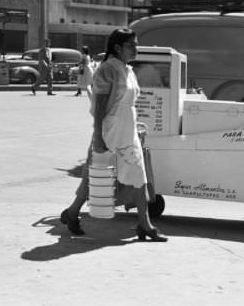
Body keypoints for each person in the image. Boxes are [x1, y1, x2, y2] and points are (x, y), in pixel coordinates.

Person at [60, 28, 167, 241]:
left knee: (139, 177)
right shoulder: (106, 70)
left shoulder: (128, 70)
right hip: (109, 131)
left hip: (128, 131)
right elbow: (99, 107)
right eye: (131, 45)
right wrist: (98, 137)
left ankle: (145, 225)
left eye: (136, 44)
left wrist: (135, 127)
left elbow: (130, 103)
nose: (136, 49)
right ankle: (72, 213)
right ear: (117, 47)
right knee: (95, 177)